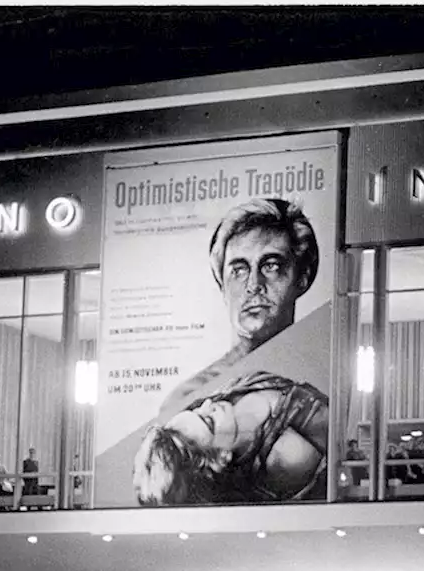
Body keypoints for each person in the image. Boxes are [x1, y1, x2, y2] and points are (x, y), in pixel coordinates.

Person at [163, 197, 319, 409]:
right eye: (239, 270)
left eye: (271, 266)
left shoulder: (321, 380)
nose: (254, 285)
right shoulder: (189, 398)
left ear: (302, 277)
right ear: (222, 285)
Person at [134, 370, 328, 505]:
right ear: (221, 458)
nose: (209, 403)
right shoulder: (285, 458)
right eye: (209, 421)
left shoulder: (224, 396)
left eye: (196, 408)